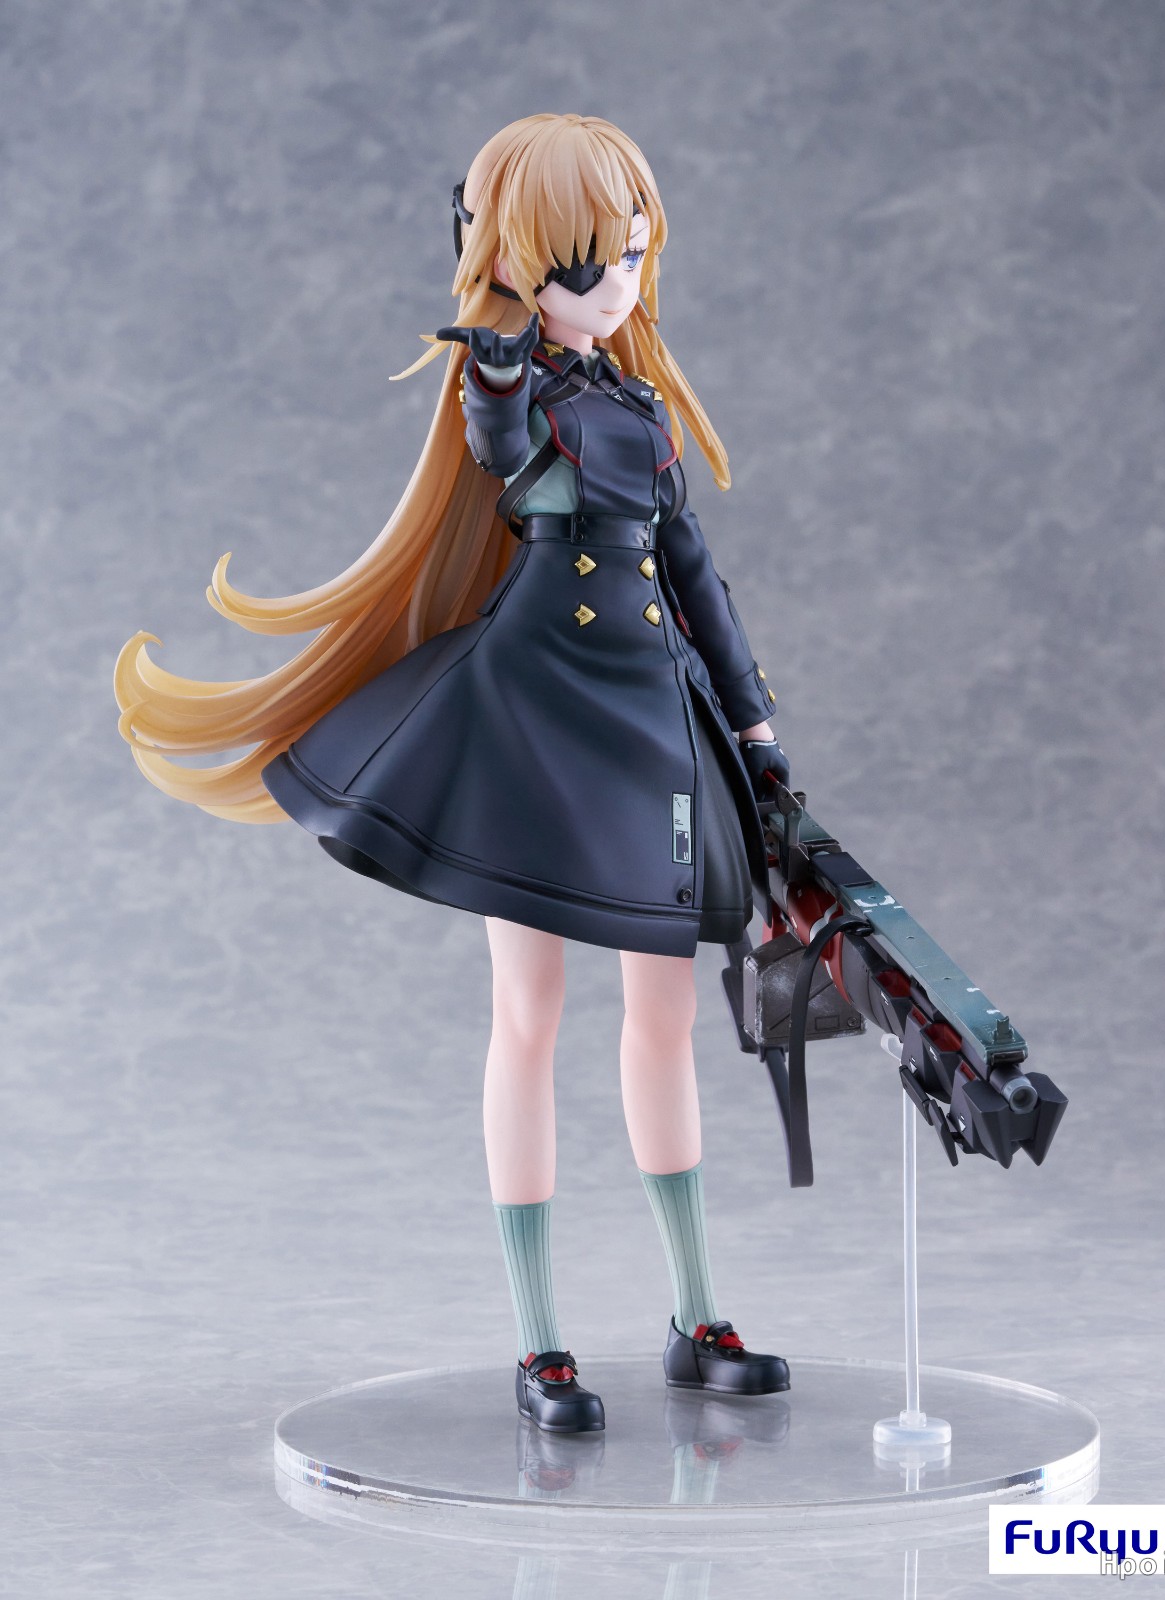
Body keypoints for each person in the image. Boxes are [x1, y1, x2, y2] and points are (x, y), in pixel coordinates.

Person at [115, 113, 791, 1434]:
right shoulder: (517, 394)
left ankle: (697, 1313)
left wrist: (754, 725)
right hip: (530, 716)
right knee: (527, 1015)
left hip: (650, 721)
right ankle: (540, 1342)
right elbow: (495, 441)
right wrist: (494, 364)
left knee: (663, 1018)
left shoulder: (641, 410)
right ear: (518, 258)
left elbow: (696, 579)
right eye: (592, 260)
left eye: (635, 256)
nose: (620, 285)